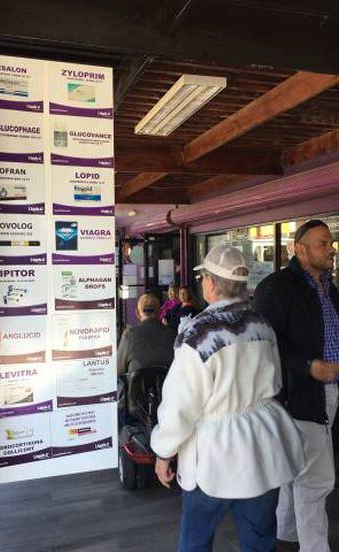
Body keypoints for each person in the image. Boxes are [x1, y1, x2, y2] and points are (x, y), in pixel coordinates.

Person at [151, 245, 304, 552]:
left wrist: (163, 452)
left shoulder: (196, 335)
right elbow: (274, 382)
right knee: (259, 540)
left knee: (195, 541)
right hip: (262, 451)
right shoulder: (262, 325)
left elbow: (181, 407)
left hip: (213, 458)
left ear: (210, 283)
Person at [253, 219, 339, 552]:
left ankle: (287, 534)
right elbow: (265, 344)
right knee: (317, 480)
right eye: (323, 243)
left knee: (297, 469)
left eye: (331, 243)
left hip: (328, 393)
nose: (330, 249)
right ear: (299, 249)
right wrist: (307, 366)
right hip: (296, 395)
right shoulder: (277, 288)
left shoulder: (330, 289)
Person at [117, 292, 175, 376]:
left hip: (136, 389)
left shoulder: (129, 335)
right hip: (168, 388)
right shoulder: (172, 335)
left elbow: (119, 371)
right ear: (160, 312)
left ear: (137, 313)